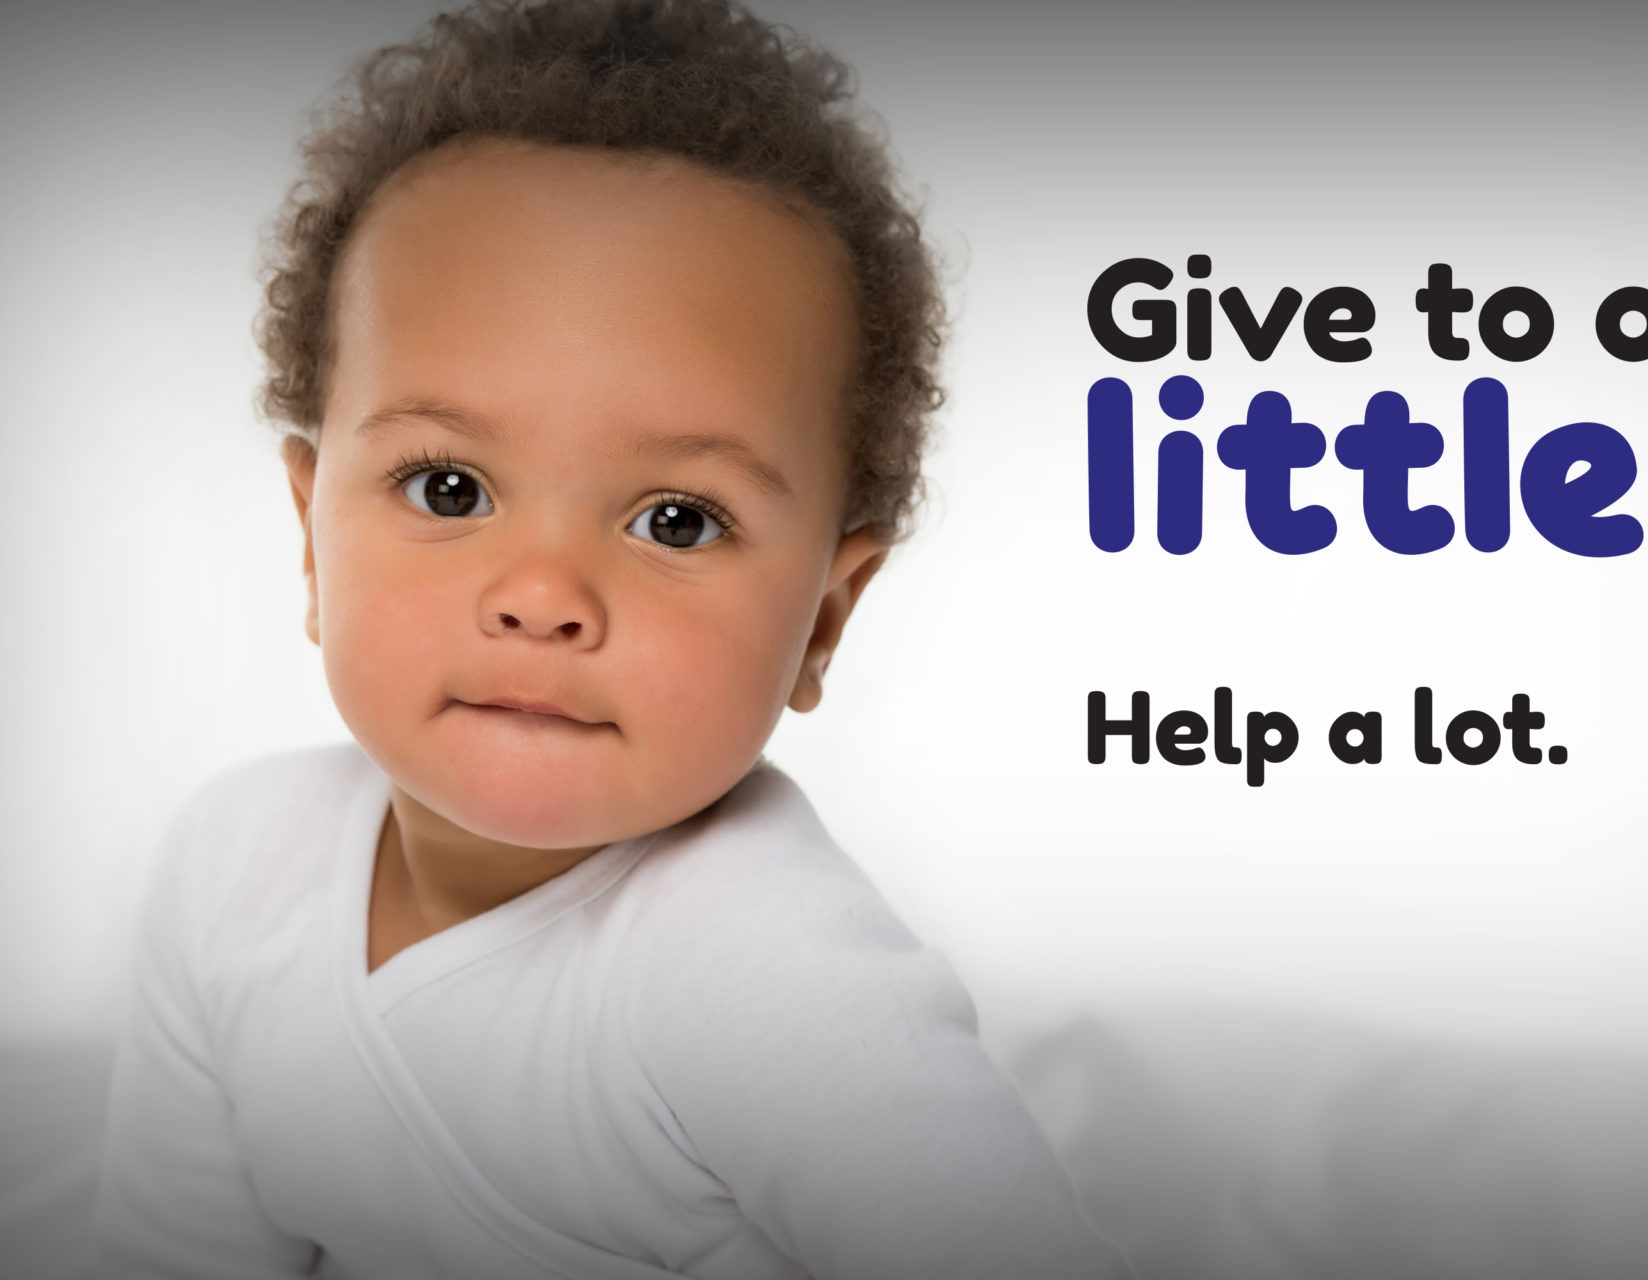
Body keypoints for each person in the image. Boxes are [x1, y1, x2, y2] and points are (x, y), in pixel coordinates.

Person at [92, 2, 1133, 1276]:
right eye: (448, 488)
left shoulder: (761, 972)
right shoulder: (230, 872)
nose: (543, 593)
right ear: (312, 534)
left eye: (675, 519)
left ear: (823, 619)